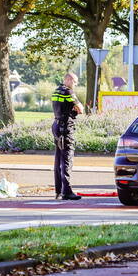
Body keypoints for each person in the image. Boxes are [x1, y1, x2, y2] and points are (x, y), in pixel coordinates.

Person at [51, 73, 81, 201]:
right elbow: (81, 109)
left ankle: (58, 191)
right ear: (68, 80)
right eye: (75, 82)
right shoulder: (69, 93)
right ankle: (67, 191)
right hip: (65, 129)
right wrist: (74, 110)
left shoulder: (56, 91)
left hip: (56, 126)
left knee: (58, 159)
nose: (75, 85)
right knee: (67, 160)